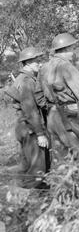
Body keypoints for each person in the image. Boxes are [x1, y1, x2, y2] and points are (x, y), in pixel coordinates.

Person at [34, 33, 79, 164]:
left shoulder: (43, 68)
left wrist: (52, 106)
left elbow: (38, 96)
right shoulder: (66, 66)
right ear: (66, 49)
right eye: (72, 48)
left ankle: (62, 183)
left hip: (52, 115)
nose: (73, 53)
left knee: (60, 156)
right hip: (70, 114)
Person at [5, 47, 50, 188]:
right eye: (37, 61)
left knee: (27, 165)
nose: (40, 63)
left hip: (24, 125)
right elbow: (30, 110)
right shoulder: (27, 81)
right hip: (30, 126)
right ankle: (36, 202)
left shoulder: (23, 78)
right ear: (28, 63)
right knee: (38, 168)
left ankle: (22, 198)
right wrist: (40, 134)